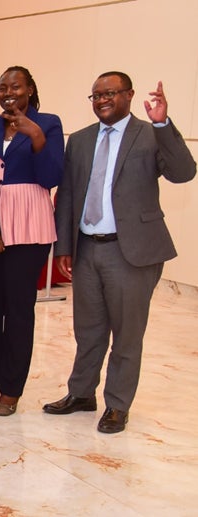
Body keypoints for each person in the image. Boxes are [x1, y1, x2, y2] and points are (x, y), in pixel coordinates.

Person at [43, 73, 196, 434]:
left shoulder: (149, 134)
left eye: (109, 93)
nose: (101, 101)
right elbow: (66, 196)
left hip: (131, 252)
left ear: (128, 95)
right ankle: (81, 393)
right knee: (88, 330)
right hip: (86, 249)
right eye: (95, 95)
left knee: (127, 334)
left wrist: (163, 123)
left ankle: (117, 404)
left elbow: (184, 172)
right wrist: (64, 246)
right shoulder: (79, 141)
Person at [0, 66, 64, 417]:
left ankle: (11, 388)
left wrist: (36, 135)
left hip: (30, 229)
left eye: (16, 86)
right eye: (2, 87)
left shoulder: (48, 124)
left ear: (30, 90)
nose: (8, 92)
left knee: (20, 312)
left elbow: (52, 176)